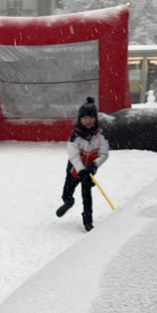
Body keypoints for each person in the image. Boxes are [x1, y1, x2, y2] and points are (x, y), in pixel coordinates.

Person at [55, 97, 109, 233]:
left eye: (91, 117)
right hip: (74, 171)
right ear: (80, 120)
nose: (88, 120)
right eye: (84, 118)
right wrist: (81, 171)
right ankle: (68, 202)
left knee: (87, 196)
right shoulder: (75, 137)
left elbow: (104, 154)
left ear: (95, 119)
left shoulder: (100, 136)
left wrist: (94, 166)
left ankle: (88, 221)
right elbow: (74, 156)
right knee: (66, 193)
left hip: (89, 171)